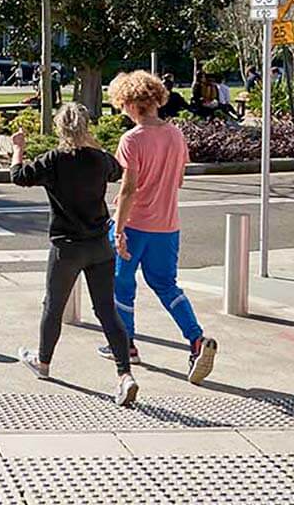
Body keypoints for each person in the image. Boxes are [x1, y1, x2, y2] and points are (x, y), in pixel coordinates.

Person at [10, 104, 138, 407]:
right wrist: (91, 143)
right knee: (107, 310)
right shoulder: (98, 159)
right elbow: (117, 169)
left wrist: (18, 148)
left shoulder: (53, 161)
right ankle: (124, 374)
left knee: (53, 306)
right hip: (99, 247)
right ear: (85, 126)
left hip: (66, 247)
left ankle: (43, 363)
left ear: (59, 128)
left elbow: (18, 176)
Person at [105, 71, 217, 384]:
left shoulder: (132, 140)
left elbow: (128, 189)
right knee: (167, 285)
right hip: (167, 224)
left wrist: (120, 228)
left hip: (136, 223)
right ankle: (195, 339)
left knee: (122, 284)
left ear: (129, 103)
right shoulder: (175, 135)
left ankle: (126, 344)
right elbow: (178, 179)